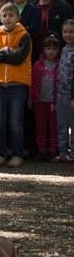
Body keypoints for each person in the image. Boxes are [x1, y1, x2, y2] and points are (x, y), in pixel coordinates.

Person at [0, 3, 32, 168]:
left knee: (15, 122)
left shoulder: (24, 36)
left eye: (11, 15)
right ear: (0, 18)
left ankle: (17, 155)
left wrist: (0, 56)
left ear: (18, 18)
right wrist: (5, 51)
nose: (7, 18)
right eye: (4, 16)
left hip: (17, 85)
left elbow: (18, 58)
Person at [30, 34, 61, 161]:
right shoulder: (38, 64)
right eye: (48, 48)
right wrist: (31, 98)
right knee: (41, 126)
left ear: (58, 50)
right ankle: (41, 149)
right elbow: (32, 82)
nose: (51, 51)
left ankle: (53, 149)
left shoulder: (60, 64)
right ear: (44, 50)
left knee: (54, 126)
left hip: (54, 101)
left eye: (54, 49)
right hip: (40, 100)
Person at [55, 20, 74, 162]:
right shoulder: (63, 49)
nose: (68, 35)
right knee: (61, 122)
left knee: (72, 122)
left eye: (71, 32)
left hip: (70, 93)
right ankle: (62, 150)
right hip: (60, 91)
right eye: (65, 32)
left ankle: (72, 151)